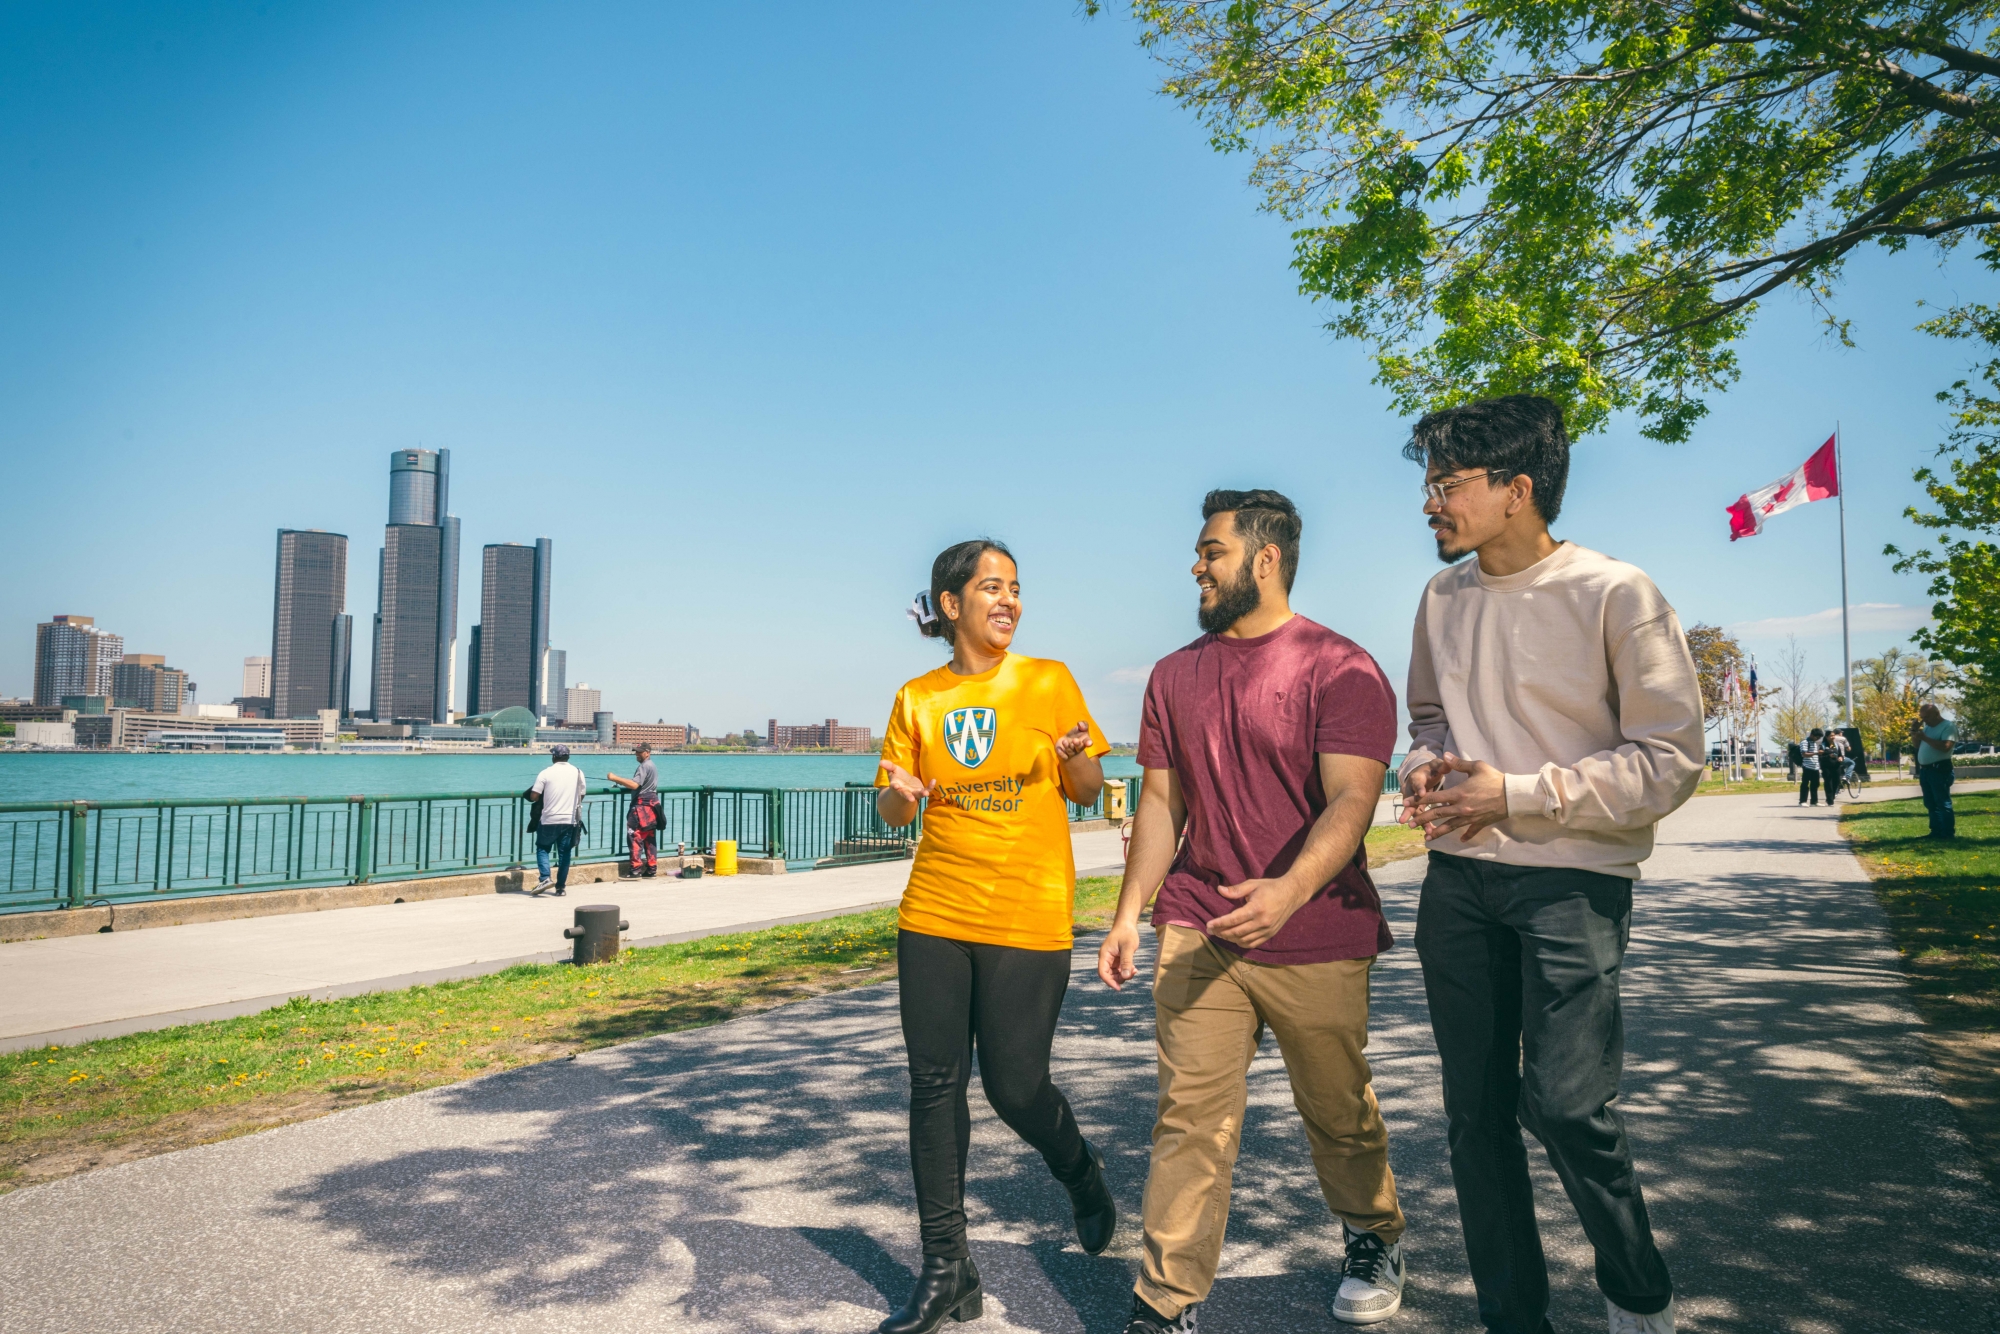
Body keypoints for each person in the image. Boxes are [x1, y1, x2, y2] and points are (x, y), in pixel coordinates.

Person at [1399, 396, 1703, 1334]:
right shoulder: (1441, 599)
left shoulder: (1617, 593)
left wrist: (1516, 794)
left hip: (1576, 882)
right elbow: (1429, 716)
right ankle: (1512, 1318)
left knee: (1568, 1107)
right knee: (1474, 1120)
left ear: (1517, 491)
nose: (1428, 505)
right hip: (1459, 883)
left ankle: (1634, 1291)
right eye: (1429, 485)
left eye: (1447, 485)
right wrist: (1428, 765)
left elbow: (1671, 759)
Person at [1097, 489, 1410, 1333]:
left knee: (1337, 1108)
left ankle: (1374, 1233)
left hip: (1315, 927)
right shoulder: (1174, 674)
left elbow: (1353, 801)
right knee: (1191, 1119)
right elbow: (1160, 806)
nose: (1196, 565)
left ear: (1264, 560)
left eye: (1212, 551)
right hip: (1199, 921)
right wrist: (1131, 912)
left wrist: (1289, 890)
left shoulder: (1339, 666)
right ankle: (1165, 1302)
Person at [870, 538, 1116, 1334]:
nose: (1007, 600)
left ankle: (1078, 1170)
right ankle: (947, 1269)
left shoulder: (1048, 681)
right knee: (934, 1085)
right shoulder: (917, 697)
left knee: (1016, 1088)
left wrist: (1076, 759)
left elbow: (1087, 790)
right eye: (991, 587)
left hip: (1027, 912)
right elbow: (895, 808)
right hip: (935, 910)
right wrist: (901, 793)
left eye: (1015, 588)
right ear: (951, 605)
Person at [528, 744, 588, 896]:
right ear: (568, 757)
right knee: (565, 853)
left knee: (542, 848)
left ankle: (545, 878)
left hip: (549, 818)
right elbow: (581, 795)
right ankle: (560, 888)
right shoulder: (578, 772)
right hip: (569, 820)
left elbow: (534, 796)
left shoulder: (545, 773)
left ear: (554, 756)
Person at [607, 742, 662, 877]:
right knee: (649, 838)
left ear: (647, 752)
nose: (637, 754)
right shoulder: (652, 766)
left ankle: (635, 870)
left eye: (639, 751)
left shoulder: (644, 766)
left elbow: (634, 784)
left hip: (640, 808)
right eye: (636, 751)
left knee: (635, 836)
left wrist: (614, 778)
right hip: (652, 807)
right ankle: (651, 869)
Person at [1913, 702, 1957, 838]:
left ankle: (1947, 833)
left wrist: (1925, 737)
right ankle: (1936, 831)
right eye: (1922, 718)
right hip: (1926, 771)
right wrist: (1914, 732)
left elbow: (1946, 746)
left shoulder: (1948, 726)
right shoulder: (1927, 728)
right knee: (1930, 803)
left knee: (1942, 802)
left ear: (1937, 714)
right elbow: (1916, 745)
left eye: (1926, 717)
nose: (1924, 720)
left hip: (1939, 769)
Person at [1798, 727, 1827, 806]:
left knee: (1815, 784)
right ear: (1812, 735)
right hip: (1807, 766)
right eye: (1816, 737)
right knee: (1805, 784)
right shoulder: (1805, 742)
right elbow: (1804, 754)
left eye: (1819, 738)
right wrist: (1816, 753)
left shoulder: (1815, 743)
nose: (1817, 739)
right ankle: (1802, 801)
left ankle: (1814, 801)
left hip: (1815, 767)